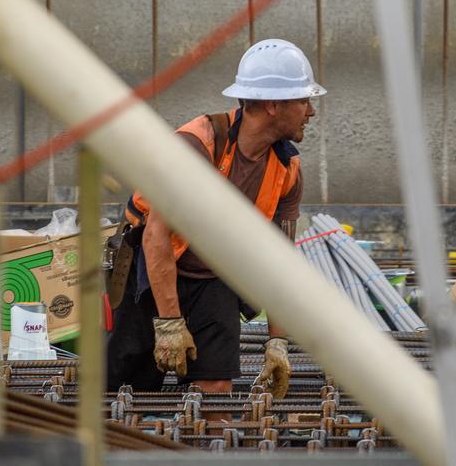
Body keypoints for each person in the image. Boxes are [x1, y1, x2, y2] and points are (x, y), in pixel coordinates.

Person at [106, 38, 325, 408]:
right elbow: (156, 236)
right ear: (273, 105)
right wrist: (170, 322)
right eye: (303, 100)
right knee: (126, 391)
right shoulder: (197, 145)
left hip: (214, 276)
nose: (311, 111)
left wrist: (277, 340)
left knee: (216, 392)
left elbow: (281, 257)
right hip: (153, 269)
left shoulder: (287, 168)